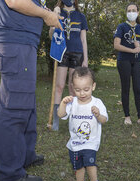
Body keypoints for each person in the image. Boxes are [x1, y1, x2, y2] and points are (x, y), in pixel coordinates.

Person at [0, 0, 63, 181]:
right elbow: (14, 1)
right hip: (15, 42)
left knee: (26, 101)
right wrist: (47, 15)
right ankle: (9, 173)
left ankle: (26, 155)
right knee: (14, 107)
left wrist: (39, 10)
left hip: (19, 41)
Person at [58, 67, 108, 181]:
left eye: (86, 89)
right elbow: (61, 115)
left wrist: (98, 115)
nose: (82, 93)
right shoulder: (72, 103)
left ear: (93, 86)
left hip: (90, 143)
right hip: (74, 144)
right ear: (73, 88)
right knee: (78, 167)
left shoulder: (97, 103)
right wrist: (63, 103)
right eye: (78, 90)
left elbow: (104, 120)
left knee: (90, 165)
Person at [49, 0, 88, 131]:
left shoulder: (81, 16)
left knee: (73, 88)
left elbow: (83, 39)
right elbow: (51, 36)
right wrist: (54, 21)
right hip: (62, 53)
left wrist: (85, 59)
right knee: (59, 86)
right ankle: (55, 120)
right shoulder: (57, 13)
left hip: (77, 54)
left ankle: (75, 120)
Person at [114, 2, 140, 127]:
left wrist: (139, 48)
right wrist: (132, 50)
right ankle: (127, 116)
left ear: (138, 13)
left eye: (134, 10)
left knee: (138, 88)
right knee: (126, 88)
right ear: (126, 13)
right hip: (124, 60)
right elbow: (116, 45)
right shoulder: (122, 26)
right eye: (129, 10)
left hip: (137, 61)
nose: (132, 12)